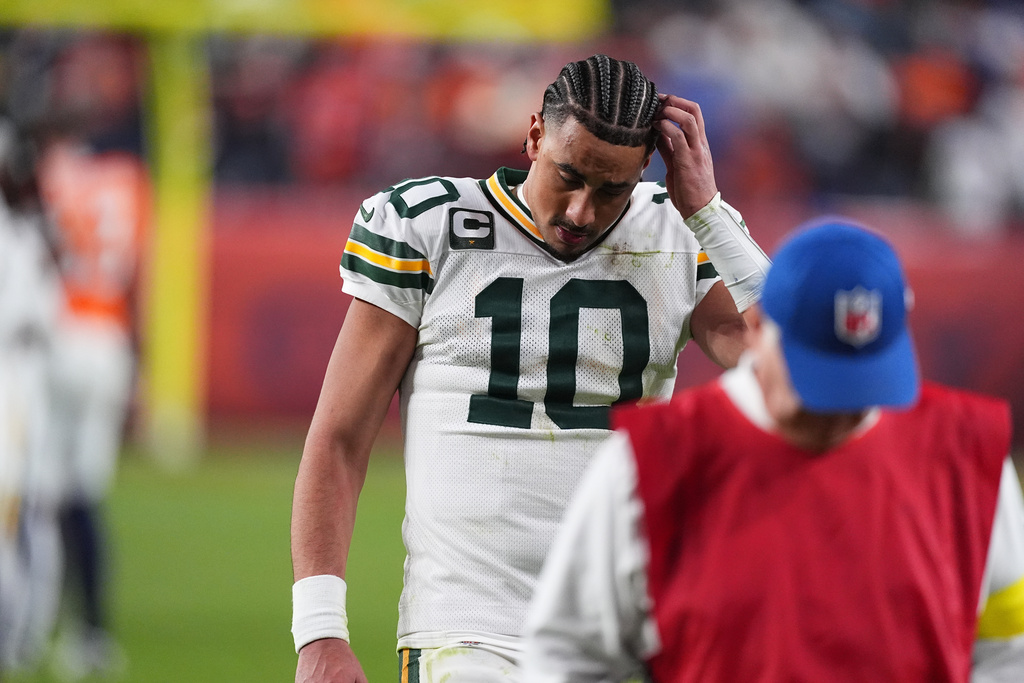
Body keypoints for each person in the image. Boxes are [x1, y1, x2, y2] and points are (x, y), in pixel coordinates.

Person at [290, 54, 772, 683]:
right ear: (535, 135)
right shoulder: (428, 225)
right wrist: (320, 630)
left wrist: (708, 211)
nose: (580, 211)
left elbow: (789, 364)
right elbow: (341, 436)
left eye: (611, 189)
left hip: (634, 626)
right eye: (568, 175)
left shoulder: (677, 232)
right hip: (468, 630)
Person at [521, 220, 1024, 682]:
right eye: (818, 383)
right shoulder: (655, 461)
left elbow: (1009, 645)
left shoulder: (966, 455)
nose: (841, 412)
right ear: (757, 327)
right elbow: (566, 655)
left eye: (864, 387)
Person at [35, 113, 149, 680]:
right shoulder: (125, 181)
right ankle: (93, 632)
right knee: (84, 494)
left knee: (39, 493)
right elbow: (138, 275)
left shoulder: (43, 175)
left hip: (53, 339)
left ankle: (34, 623)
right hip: (109, 341)